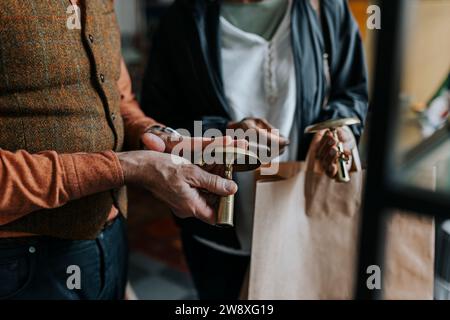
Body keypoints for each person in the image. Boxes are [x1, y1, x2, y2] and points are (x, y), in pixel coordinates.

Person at [0, 0, 239, 300]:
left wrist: (162, 139)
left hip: (110, 241)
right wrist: (126, 168)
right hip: (18, 261)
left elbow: (119, 99)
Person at [141, 0, 369, 299]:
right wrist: (224, 132)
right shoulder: (184, 18)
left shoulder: (325, 7)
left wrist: (342, 130)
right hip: (217, 229)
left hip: (301, 217)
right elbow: (158, 125)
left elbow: (352, 91)